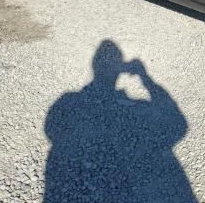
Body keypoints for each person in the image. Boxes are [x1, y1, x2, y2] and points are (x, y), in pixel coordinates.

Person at [43, 40, 195, 202]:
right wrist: (145, 77)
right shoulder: (71, 100)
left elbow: (51, 129)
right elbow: (178, 125)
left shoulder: (69, 100)